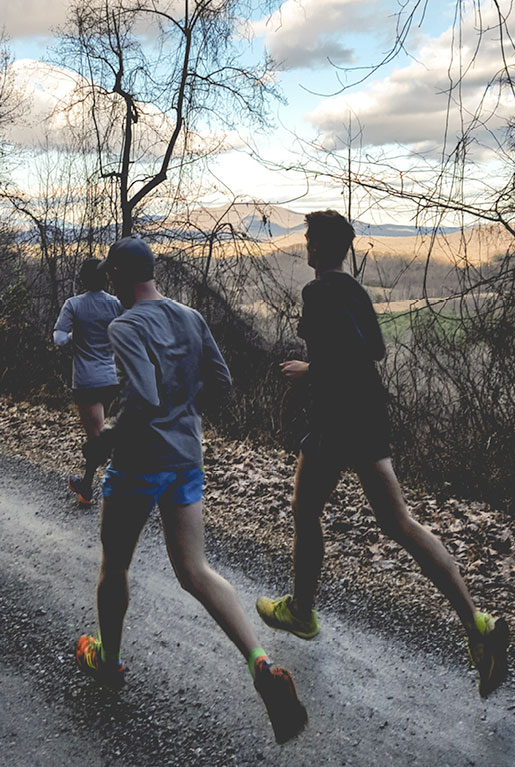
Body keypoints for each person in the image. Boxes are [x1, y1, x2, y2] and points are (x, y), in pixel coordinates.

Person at [256, 210, 509, 699]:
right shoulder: (355, 292)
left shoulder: (317, 292)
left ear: (316, 248)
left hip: (336, 420)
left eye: (308, 240)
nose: (305, 247)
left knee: (305, 510)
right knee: (400, 524)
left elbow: (343, 357)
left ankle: (302, 612)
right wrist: (319, 352)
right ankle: (476, 624)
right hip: (368, 416)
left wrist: (310, 370)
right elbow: (373, 350)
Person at [74, 237, 307, 745]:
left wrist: (105, 440)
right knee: (196, 571)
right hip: (185, 459)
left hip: (138, 465)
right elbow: (221, 382)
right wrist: (183, 409)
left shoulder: (125, 325)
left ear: (117, 276)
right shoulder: (190, 315)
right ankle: (260, 663)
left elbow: (142, 396)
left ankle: (109, 662)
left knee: (115, 566)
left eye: (111, 275)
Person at [54, 258, 122, 504]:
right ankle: (85, 488)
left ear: (83, 279)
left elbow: (59, 339)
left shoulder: (73, 305)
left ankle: (124, 485)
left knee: (97, 440)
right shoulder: (116, 304)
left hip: (86, 381)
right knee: (98, 435)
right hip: (111, 379)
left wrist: (74, 335)